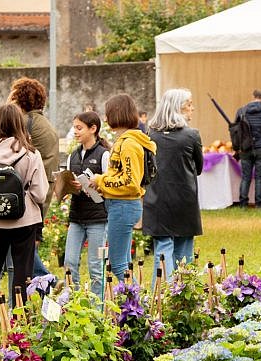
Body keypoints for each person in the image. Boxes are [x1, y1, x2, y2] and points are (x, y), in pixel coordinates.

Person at [0, 103, 48, 322]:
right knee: (22, 273)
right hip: (25, 222)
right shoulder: (31, 154)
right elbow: (40, 194)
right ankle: (20, 318)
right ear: (20, 124)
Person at [90, 93, 155, 281]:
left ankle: (136, 307)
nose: (105, 118)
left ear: (116, 114)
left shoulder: (128, 145)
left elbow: (129, 182)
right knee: (124, 264)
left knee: (117, 265)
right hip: (120, 205)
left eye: (107, 113)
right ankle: (129, 306)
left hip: (123, 206)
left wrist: (100, 181)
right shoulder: (126, 141)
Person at [143, 89, 204, 280]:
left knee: (162, 250)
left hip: (157, 198)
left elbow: (146, 169)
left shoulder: (150, 135)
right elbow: (199, 167)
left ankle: (161, 294)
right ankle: (183, 294)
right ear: (178, 108)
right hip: (184, 199)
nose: (192, 108)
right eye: (189, 104)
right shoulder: (191, 135)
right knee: (184, 250)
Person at [8, 77, 57, 278]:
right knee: (25, 244)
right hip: (44, 189)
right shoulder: (42, 123)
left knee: (20, 246)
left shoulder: (26, 123)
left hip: (30, 193)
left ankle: (47, 280)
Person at [63, 111, 110, 298]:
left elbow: (109, 187)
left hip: (98, 218)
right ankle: (73, 303)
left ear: (93, 129)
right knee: (69, 263)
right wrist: (66, 187)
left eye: (79, 127)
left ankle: (97, 309)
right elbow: (67, 184)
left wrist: (94, 184)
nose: (75, 131)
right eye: (74, 127)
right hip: (76, 217)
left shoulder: (103, 155)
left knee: (96, 267)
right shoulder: (73, 156)